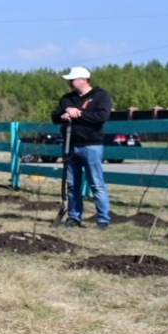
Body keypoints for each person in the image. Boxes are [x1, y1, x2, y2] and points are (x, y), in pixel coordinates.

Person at [54, 66, 113, 229]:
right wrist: (65, 113)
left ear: (83, 79)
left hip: (91, 145)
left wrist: (77, 114)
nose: (70, 83)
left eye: (72, 80)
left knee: (96, 183)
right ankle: (74, 217)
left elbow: (101, 117)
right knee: (73, 184)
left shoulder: (100, 96)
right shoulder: (67, 99)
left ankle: (102, 219)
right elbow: (54, 116)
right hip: (70, 145)